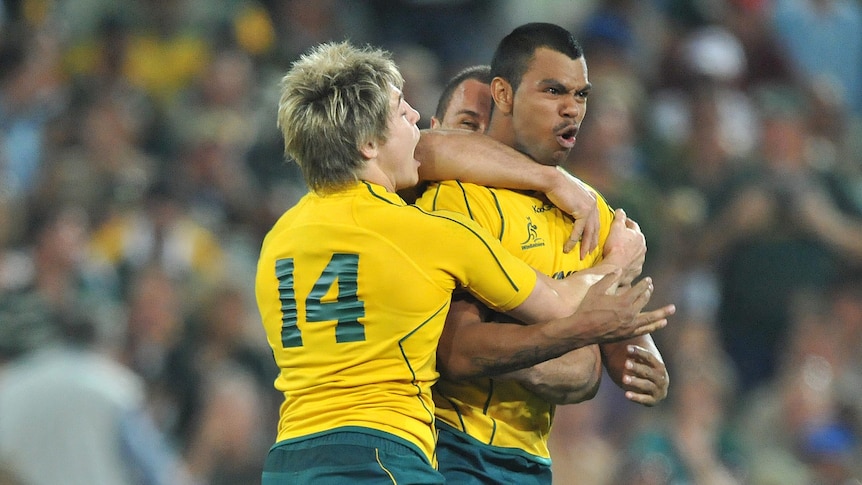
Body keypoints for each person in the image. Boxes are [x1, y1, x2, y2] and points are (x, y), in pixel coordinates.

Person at [255, 40, 674, 484]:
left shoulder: (278, 240)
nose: (415, 118)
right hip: (382, 456)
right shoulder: (426, 231)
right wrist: (619, 263)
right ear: (368, 145)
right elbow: (559, 302)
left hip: (289, 457)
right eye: (401, 112)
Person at [415, 23, 671, 484]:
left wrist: (639, 354)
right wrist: (572, 339)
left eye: (581, 95)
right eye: (554, 90)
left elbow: (612, 358)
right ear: (505, 95)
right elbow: (457, 351)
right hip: (448, 449)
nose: (572, 108)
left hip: (533, 461)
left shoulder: (592, 209)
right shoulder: (455, 197)